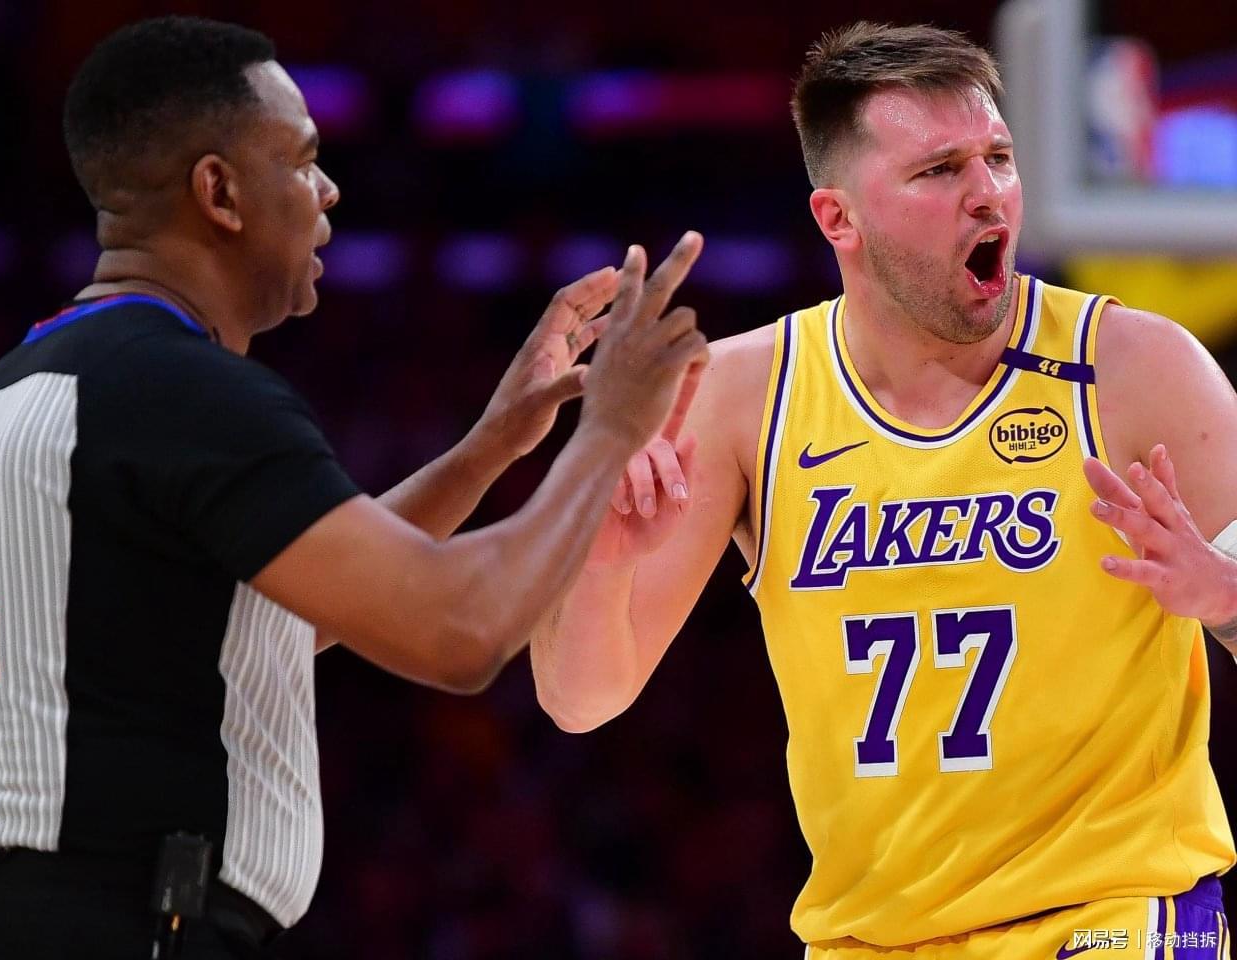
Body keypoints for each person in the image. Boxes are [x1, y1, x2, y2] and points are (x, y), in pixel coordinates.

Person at [0, 15, 708, 960]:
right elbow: (461, 630)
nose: (328, 189)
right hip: (126, 924)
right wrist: (610, 434)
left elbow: (267, 623)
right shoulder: (181, 392)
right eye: (304, 160)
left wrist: (491, 447)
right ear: (219, 191)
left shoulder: (18, 388)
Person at [530, 20, 1237, 958]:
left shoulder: (1138, 368)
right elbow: (582, 700)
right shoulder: (743, 396)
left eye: (998, 159)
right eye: (940, 170)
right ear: (839, 220)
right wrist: (602, 556)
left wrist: (1224, 598)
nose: (987, 193)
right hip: (871, 940)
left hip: (1109, 917)